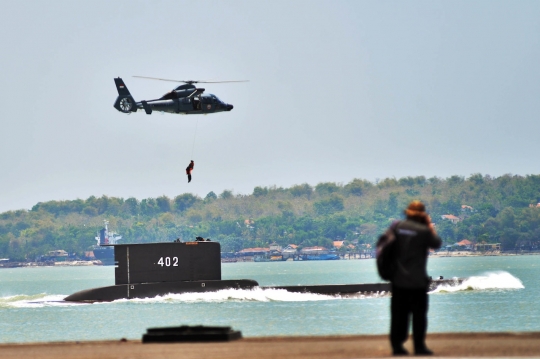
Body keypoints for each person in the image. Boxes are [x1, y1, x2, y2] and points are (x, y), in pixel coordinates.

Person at [389, 201, 442, 356]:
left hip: (398, 280)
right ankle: (419, 346)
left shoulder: (397, 228)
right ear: (422, 215)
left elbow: (387, 248)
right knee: (419, 316)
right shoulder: (423, 231)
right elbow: (436, 243)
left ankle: (397, 346)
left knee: (398, 315)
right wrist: (429, 225)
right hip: (417, 281)